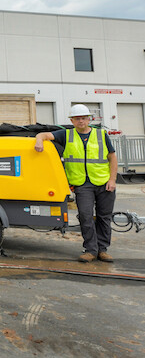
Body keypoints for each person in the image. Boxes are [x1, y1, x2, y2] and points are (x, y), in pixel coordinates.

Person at [35, 104, 117, 263]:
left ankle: (103, 250)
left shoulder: (101, 134)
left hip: (104, 182)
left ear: (89, 119)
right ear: (72, 120)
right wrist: (39, 142)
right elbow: (43, 135)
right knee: (85, 216)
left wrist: (112, 180)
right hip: (82, 185)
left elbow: (112, 157)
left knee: (104, 217)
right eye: (77, 118)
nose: (81, 121)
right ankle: (90, 250)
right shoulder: (66, 135)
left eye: (84, 118)